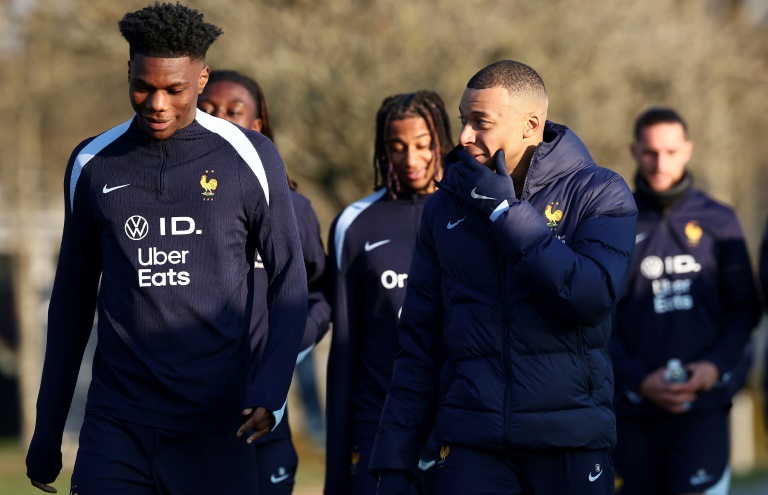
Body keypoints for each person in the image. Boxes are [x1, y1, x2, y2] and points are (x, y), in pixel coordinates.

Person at [25, 4, 307, 494]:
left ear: (201, 80)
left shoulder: (250, 157)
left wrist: (271, 388)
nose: (157, 102)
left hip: (217, 427)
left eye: (174, 89)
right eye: (143, 85)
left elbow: (290, 280)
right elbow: (70, 304)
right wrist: (47, 429)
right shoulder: (92, 162)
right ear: (128, 72)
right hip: (118, 425)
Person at [369, 60, 638, 495]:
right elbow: (419, 342)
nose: (463, 137)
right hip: (471, 447)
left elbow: (592, 295)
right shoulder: (445, 206)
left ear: (531, 124)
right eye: (463, 121)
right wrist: (394, 458)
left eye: (481, 123)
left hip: (570, 444)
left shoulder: (600, 191)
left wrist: (505, 213)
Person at [609, 107, 760, 495]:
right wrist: (639, 380)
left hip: (704, 411)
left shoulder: (720, 220)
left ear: (688, 150)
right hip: (632, 413)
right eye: (650, 153)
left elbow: (744, 309)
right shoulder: (611, 221)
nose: (661, 163)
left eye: (671, 152)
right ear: (634, 150)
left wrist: (714, 367)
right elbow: (596, 318)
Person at [198, 69, 331, 495]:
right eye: (208, 110)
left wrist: (282, 350)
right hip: (187, 414)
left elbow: (320, 295)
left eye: (234, 112)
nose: (220, 119)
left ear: (258, 126)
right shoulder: (172, 204)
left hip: (261, 411)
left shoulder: (292, 207)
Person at [325, 90, 454, 495]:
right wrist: (335, 474)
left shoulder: (473, 215)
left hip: (457, 424)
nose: (411, 160)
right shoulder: (355, 223)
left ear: (442, 144)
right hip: (378, 423)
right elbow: (344, 349)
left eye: (422, 146)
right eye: (397, 147)